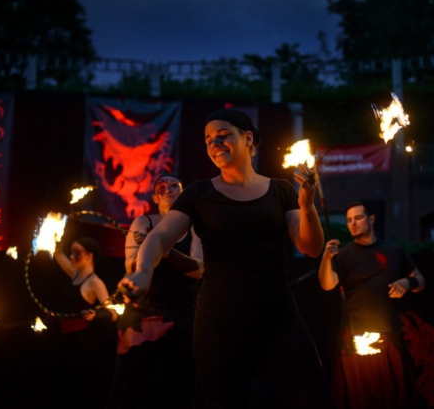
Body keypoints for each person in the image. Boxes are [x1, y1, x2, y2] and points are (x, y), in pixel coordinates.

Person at [117, 108, 335, 408]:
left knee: (313, 396)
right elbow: (159, 236)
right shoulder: (199, 193)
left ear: (247, 139)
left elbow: (310, 247)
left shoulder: (281, 190)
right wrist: (143, 271)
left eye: (223, 136)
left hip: (277, 313)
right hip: (219, 317)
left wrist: (306, 204)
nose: (214, 144)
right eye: (208, 140)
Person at [106, 174, 204, 409]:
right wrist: (156, 246)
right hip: (142, 315)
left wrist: (161, 247)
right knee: (127, 388)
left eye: (174, 186)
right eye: (163, 186)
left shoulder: (196, 227)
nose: (169, 189)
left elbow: (199, 270)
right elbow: (130, 265)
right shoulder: (143, 222)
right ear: (155, 196)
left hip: (182, 318)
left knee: (180, 390)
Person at [318, 200, 425, 409]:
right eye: (349, 220)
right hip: (355, 335)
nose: (353, 224)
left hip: (389, 334)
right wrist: (326, 258)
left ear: (372, 219)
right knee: (359, 399)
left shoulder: (393, 251)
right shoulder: (345, 255)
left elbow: (420, 280)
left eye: (358, 218)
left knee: (395, 398)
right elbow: (327, 284)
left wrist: (407, 281)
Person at [51, 236, 119, 408]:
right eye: (71, 253)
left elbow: (113, 313)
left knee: (79, 390)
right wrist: (53, 234)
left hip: (83, 345)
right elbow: (57, 253)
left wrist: (97, 315)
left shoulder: (95, 283)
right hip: (65, 340)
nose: (72, 257)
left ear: (89, 256)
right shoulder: (74, 274)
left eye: (77, 253)